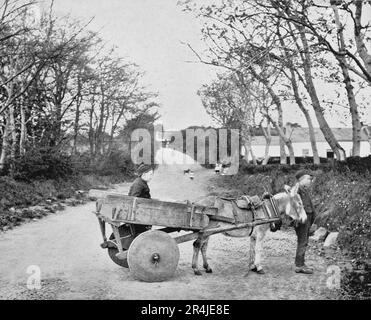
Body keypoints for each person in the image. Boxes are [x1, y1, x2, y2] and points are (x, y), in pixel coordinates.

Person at [294, 170, 317, 274]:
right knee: (303, 241)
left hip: (307, 218)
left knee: (304, 241)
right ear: (301, 179)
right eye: (308, 179)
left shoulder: (303, 189)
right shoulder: (296, 190)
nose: (310, 181)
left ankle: (301, 263)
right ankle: (299, 266)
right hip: (302, 219)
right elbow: (294, 206)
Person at [128, 163, 154, 232]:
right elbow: (134, 198)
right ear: (144, 174)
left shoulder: (141, 182)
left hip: (140, 211)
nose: (152, 176)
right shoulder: (139, 184)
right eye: (150, 174)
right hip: (138, 213)